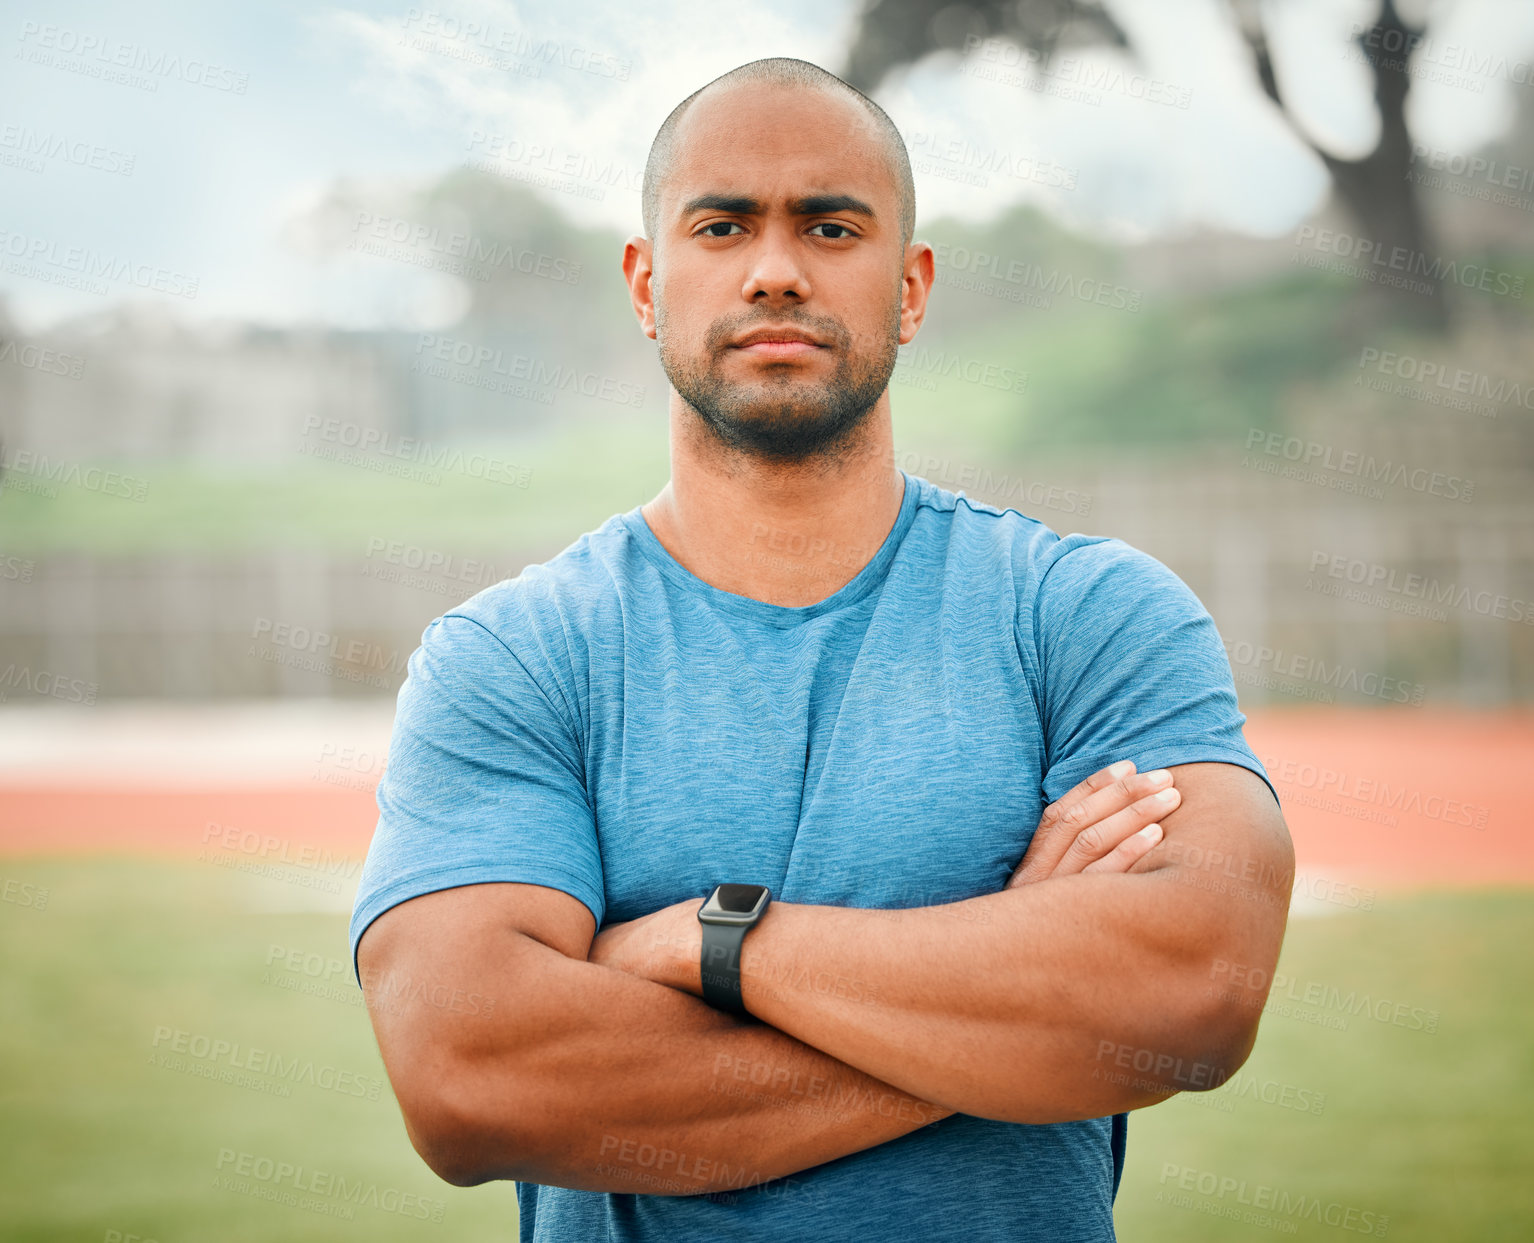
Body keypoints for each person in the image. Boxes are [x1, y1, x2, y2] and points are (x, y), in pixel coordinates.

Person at [349, 56, 1293, 1243]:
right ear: (646, 285)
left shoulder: (1086, 616)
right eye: (722, 223)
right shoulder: (514, 657)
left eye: (830, 226)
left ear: (909, 286)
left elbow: (1190, 992)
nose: (776, 268)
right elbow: (471, 1079)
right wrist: (1002, 1023)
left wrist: (712, 941)